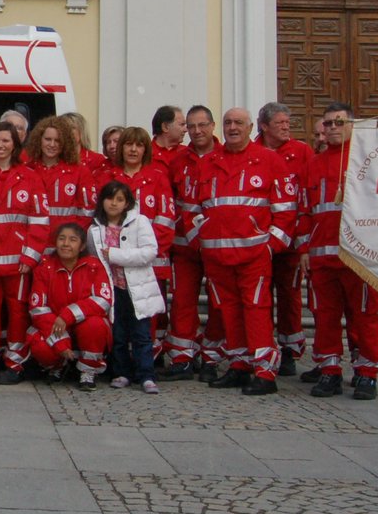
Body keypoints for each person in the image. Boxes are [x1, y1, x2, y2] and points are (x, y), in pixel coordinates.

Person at [187, 107, 296, 395]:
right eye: (228, 123)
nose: (232, 127)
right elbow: (191, 208)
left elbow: (285, 210)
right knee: (228, 312)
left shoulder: (269, 161)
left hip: (253, 256)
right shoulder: (208, 162)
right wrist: (202, 241)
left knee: (257, 310)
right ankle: (239, 365)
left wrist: (271, 247)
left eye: (238, 123)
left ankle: (264, 371)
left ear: (251, 128)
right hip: (217, 257)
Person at [296, 103, 378, 400]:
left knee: (364, 315)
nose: (333, 128)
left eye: (339, 122)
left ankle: (366, 372)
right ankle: (329, 370)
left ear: (352, 126)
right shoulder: (314, 163)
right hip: (322, 255)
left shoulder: (369, 161)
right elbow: (305, 210)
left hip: (358, 256)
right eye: (329, 123)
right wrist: (304, 248)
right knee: (325, 317)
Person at [0, 121, 48, 384]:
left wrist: (30, 256)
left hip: (18, 262)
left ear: (15, 144)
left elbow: (39, 221)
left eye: (5, 141)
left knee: (18, 312)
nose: (0, 145)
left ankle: (15, 363)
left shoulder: (30, 177)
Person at [161, 105, 223, 381]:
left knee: (218, 304)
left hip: (218, 246)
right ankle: (182, 358)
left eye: (202, 125)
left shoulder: (226, 157)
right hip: (184, 246)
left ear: (212, 126)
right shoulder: (178, 160)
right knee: (182, 302)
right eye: (191, 126)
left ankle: (211, 357)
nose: (196, 131)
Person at [88, 181, 165, 393]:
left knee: (141, 334)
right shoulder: (95, 228)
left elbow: (149, 252)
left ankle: (146, 375)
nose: (114, 203)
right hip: (113, 290)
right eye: (110, 198)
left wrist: (115, 255)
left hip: (138, 289)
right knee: (118, 334)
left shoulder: (139, 222)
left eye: (119, 199)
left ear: (127, 203)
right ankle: (121, 372)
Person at [257, 101, 313, 375]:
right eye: (280, 123)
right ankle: (263, 346)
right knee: (261, 298)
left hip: (290, 241)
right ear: (264, 126)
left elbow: (307, 194)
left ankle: (290, 349)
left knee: (289, 297)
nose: (286, 128)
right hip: (259, 242)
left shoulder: (301, 152)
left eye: (288, 123)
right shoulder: (252, 151)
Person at [27, 222, 113, 390]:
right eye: (61, 239)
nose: (66, 244)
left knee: (95, 325)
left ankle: (88, 371)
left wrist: (67, 315)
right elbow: (38, 309)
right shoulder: (45, 268)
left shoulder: (94, 267)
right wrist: (62, 343)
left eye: (72, 240)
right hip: (53, 325)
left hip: (81, 325)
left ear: (81, 246)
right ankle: (57, 366)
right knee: (40, 345)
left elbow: (103, 301)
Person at [24, 115, 94, 238]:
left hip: (65, 245)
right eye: (48, 139)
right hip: (32, 241)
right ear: (39, 139)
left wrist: (72, 238)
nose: (52, 144)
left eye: (57, 140)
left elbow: (88, 212)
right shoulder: (27, 170)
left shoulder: (80, 171)